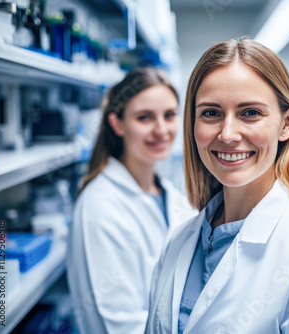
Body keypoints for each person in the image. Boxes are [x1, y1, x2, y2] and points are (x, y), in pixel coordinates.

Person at [145, 38, 289, 334]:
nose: (227, 134)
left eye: (250, 113)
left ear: (287, 123)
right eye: (211, 113)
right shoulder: (179, 242)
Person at [67, 68, 196, 334]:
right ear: (117, 124)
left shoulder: (169, 194)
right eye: (144, 117)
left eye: (169, 115)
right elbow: (121, 322)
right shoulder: (100, 205)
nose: (161, 130)